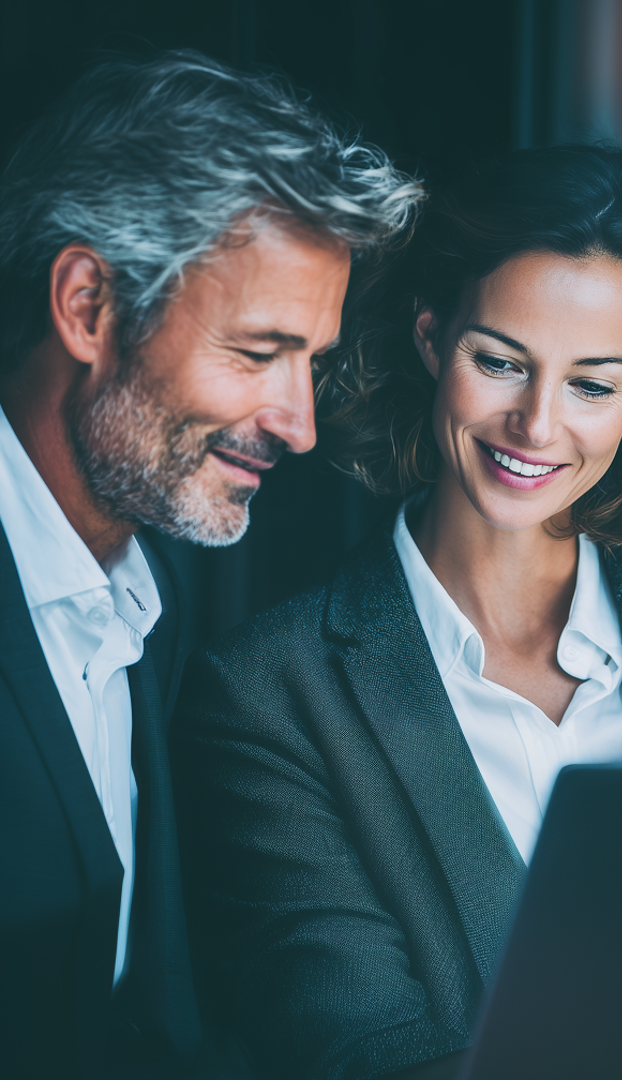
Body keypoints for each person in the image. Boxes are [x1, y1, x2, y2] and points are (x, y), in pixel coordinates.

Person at [174, 145, 622, 1080]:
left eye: (593, 384)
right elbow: (361, 1050)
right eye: (499, 361)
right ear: (430, 339)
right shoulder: (266, 694)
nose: (536, 425)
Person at [0, 50, 420, 1079]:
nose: (301, 423)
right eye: (257, 350)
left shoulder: (153, 602)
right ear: (89, 304)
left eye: (310, 362)